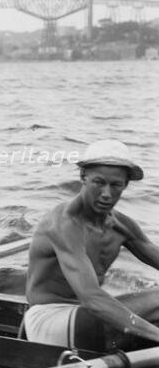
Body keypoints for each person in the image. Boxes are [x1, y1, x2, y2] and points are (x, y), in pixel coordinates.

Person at [25, 139, 159, 351]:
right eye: (99, 182)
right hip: (50, 322)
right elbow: (91, 298)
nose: (107, 193)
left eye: (115, 185)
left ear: (126, 185)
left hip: (89, 318)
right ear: (83, 177)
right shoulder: (63, 223)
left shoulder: (122, 225)